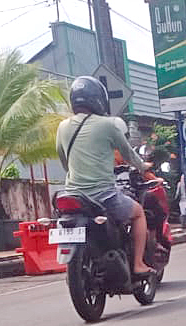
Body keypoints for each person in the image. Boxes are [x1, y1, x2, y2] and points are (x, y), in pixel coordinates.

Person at [54, 75, 153, 278]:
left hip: (72, 195)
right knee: (139, 213)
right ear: (98, 99)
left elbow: (64, 162)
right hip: (103, 195)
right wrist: (143, 166)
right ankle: (138, 264)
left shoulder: (62, 127)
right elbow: (128, 154)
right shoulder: (108, 125)